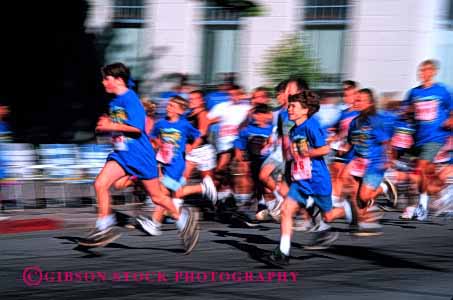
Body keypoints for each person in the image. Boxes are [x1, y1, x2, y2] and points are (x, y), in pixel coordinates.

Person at [79, 63, 199, 254]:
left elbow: (137, 128)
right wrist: (105, 125)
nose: (103, 83)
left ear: (118, 80)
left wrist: (111, 125)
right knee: (100, 183)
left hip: (140, 156)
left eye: (106, 79)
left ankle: (183, 220)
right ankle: (104, 227)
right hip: (121, 154)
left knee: (158, 197)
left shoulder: (130, 99)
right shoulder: (114, 102)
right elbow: (118, 125)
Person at [265, 91, 344, 266]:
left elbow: (324, 149)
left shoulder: (311, 125)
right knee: (286, 209)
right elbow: (295, 155)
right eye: (289, 105)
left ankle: (347, 208)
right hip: (301, 181)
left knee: (329, 216)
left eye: (293, 106)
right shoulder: (293, 130)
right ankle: (283, 252)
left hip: (318, 180)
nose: (289, 108)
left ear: (305, 110)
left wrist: (308, 153)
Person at [401, 59, 453, 221]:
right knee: (427, 174)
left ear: (434, 72)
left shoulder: (442, 91)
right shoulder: (413, 93)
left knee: (422, 168)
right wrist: (407, 117)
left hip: (436, 136)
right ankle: (444, 193)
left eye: (426, 71)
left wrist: (451, 120)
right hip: (418, 137)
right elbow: (407, 112)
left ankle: (422, 206)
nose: (423, 74)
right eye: (421, 71)